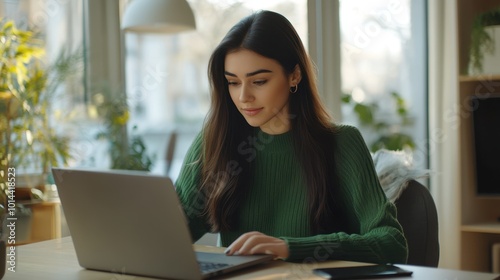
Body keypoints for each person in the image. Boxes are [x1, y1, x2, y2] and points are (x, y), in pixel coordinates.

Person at [175, 10, 408, 264]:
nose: (243, 97)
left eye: (259, 81)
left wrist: (289, 248)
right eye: (233, 82)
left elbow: (392, 242)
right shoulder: (215, 141)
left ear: (295, 75)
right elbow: (173, 232)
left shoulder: (342, 144)